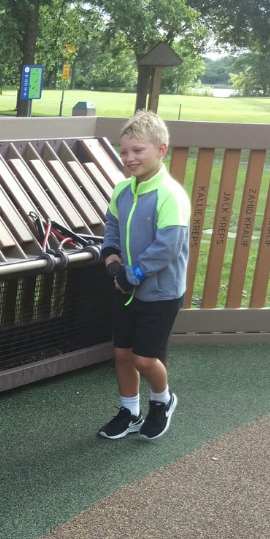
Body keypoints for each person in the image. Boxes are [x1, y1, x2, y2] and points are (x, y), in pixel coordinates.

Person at [97, 110, 189, 442]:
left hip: (161, 293)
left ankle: (162, 401)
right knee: (122, 354)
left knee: (144, 358)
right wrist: (110, 255)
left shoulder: (170, 195)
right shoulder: (123, 189)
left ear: (161, 149)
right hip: (126, 287)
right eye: (124, 151)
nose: (129, 158)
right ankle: (130, 412)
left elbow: (167, 248)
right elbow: (113, 226)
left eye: (138, 150)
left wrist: (131, 275)